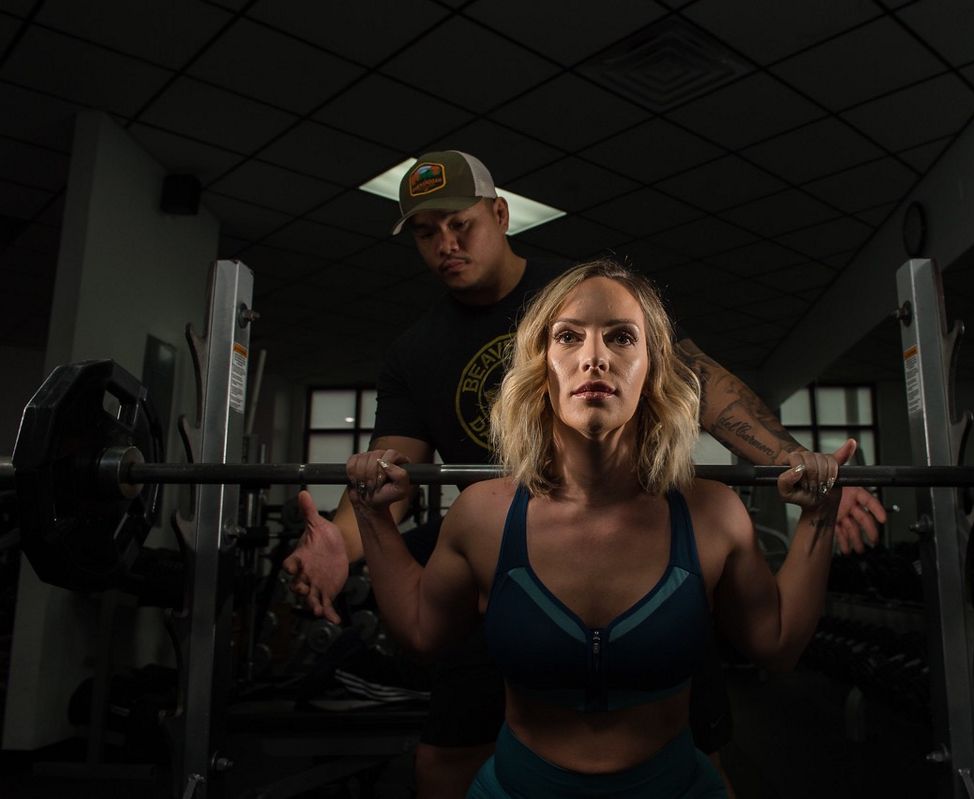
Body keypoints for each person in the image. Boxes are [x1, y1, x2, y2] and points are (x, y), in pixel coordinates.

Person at [283, 150, 886, 797]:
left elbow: (704, 384)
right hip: (503, 570)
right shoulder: (416, 353)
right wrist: (339, 543)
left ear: (500, 213)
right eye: (426, 234)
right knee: (444, 761)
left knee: (692, 742)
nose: (445, 245)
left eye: (459, 225)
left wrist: (799, 461)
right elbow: (388, 470)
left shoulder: (584, 298)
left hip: (642, 546)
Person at [345, 260, 853, 797]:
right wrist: (373, 518)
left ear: (653, 371)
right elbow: (423, 633)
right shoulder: (483, 514)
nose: (594, 358)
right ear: (542, 368)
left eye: (620, 338)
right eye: (568, 337)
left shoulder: (713, 513)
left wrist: (820, 517)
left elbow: (777, 645)